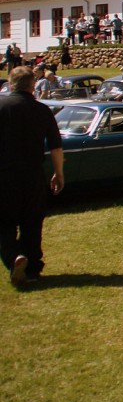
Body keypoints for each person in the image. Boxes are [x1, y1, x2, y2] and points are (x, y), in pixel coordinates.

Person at [0, 66, 64, 287]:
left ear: (10, 83)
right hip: (33, 174)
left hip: (5, 175)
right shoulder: (42, 110)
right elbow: (56, 147)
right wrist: (58, 173)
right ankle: (33, 268)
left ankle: (14, 256)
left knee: (4, 223)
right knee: (32, 222)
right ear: (33, 85)